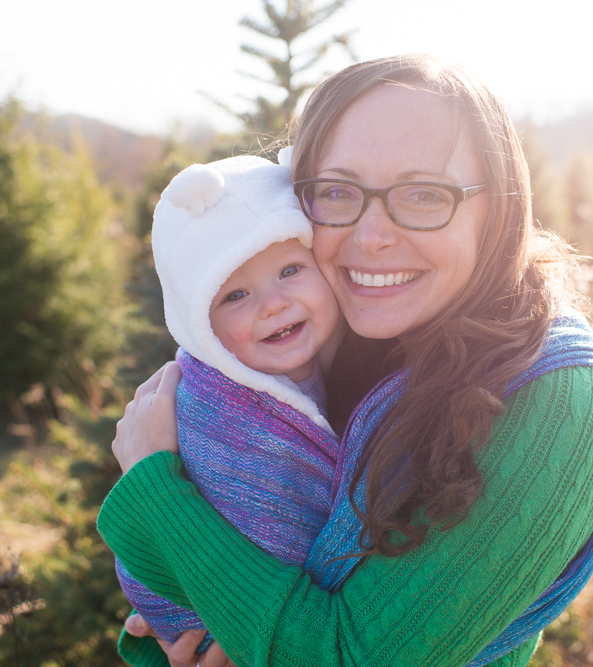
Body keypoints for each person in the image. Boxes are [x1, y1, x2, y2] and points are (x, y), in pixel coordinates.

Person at [100, 54, 593, 667]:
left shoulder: (559, 398)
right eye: (337, 192)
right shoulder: (319, 344)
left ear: (499, 207)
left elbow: (349, 657)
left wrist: (155, 490)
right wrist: (180, 628)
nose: (370, 236)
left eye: (425, 195)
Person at [115, 153, 347, 655]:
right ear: (199, 324)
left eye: (290, 269)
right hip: (229, 620)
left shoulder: (350, 364)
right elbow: (260, 517)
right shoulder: (217, 413)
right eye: (235, 295)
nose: (273, 303)